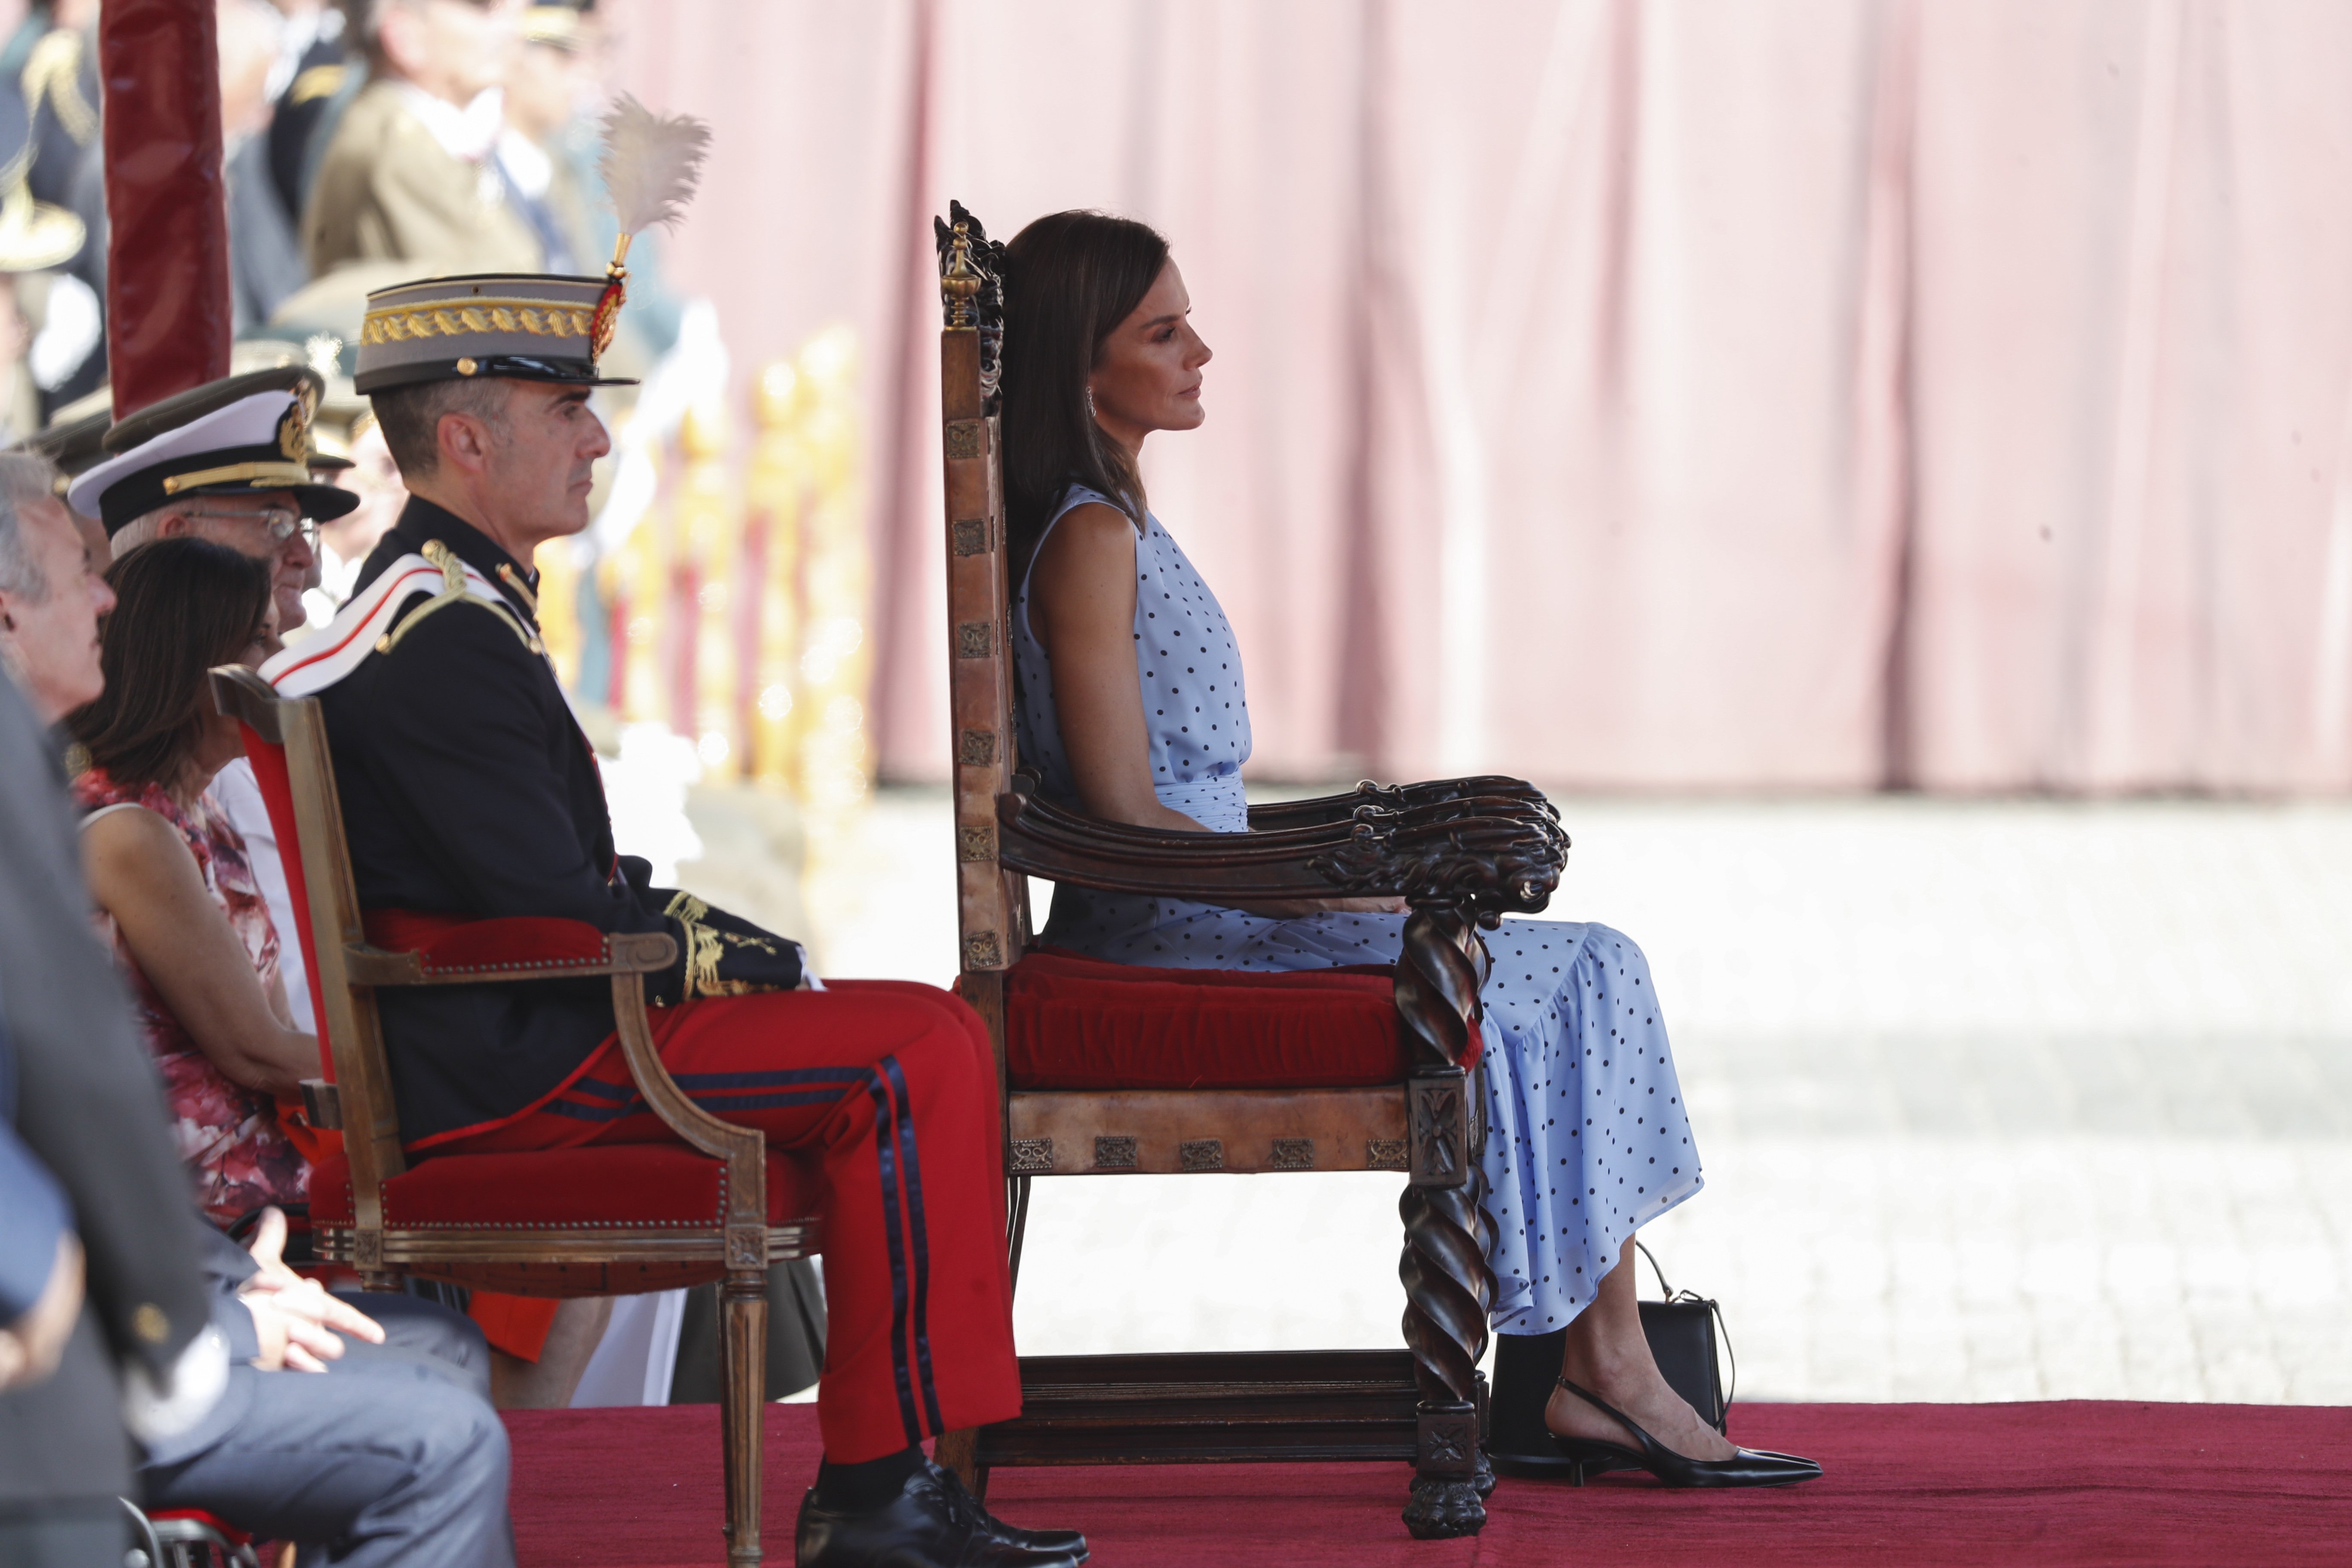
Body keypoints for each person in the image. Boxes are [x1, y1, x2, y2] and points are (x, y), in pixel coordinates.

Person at [271, 270, 1084, 1566]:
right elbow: (549, 907)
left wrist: (723, 947)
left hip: (528, 1032)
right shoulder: (440, 636)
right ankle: (884, 1492)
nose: (598, 439)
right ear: (467, 439)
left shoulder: (448, 604)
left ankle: (894, 1479)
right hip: (528, 1069)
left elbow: (542, 884)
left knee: (912, 1050)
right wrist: (730, 953)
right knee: (922, 1045)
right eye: (566, 410)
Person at [998, 211, 1821, 1491]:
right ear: (1077, 368)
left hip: (1211, 898)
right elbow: (1116, 826)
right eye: (1163, 332)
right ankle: (1604, 1368)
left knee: (1577, 965)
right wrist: (1321, 877)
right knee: (1577, 966)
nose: (1202, 350)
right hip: (1174, 924)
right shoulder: (1091, 541)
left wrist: (1344, 855)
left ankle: (1601, 1362)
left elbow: (1178, 807)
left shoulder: (1107, 524)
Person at [0, 451, 511, 1565]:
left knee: (441, 1355)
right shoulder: (111, 822)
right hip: (126, 1277)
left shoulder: (142, 804)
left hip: (173, 1239)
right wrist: (207, 1315)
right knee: (443, 1417)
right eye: (260, 650)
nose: (105, 597)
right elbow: (159, 1078)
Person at [74, 366, 363, 1037]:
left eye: (306, 531)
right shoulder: (107, 782)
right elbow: (253, 1047)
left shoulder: (212, 775)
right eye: (274, 522)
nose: (308, 564)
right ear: (181, 540)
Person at [65, 536, 317, 1228]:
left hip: (266, 1166)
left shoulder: (200, 811)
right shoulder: (128, 829)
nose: (278, 664)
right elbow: (255, 1052)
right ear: (191, 661)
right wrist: (429, 1075)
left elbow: (276, 1029)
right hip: (193, 1202)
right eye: (258, 642)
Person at [303, 0, 543, 279]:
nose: (511, 29)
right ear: (404, 35)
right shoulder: (395, 147)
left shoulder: (420, 133)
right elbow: (494, 293)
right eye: (482, 8)